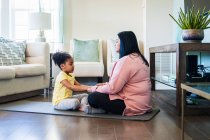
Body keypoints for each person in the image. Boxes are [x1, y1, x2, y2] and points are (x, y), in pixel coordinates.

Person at [87, 31, 152, 116]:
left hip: (132, 105)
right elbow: (121, 83)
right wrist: (102, 85)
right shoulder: (139, 58)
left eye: (117, 41)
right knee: (100, 91)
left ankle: (99, 109)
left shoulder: (126, 61)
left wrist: (93, 88)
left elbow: (113, 88)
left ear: (124, 44)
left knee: (92, 97)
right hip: (143, 103)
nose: (115, 44)